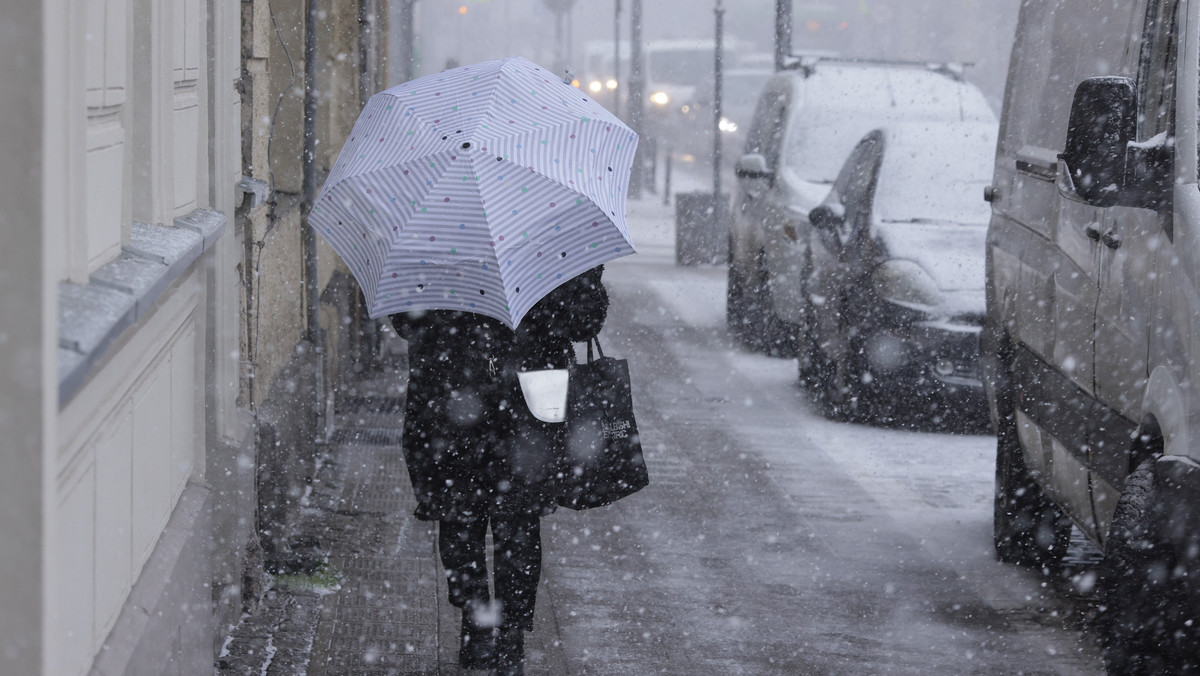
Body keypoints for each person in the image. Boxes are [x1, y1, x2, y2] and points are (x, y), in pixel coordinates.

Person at [390, 266, 609, 675]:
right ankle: (493, 632)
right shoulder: (545, 239)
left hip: (476, 400)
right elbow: (583, 320)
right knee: (492, 522)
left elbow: (406, 321)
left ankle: (493, 632)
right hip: (484, 403)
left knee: (488, 520)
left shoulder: (437, 239)